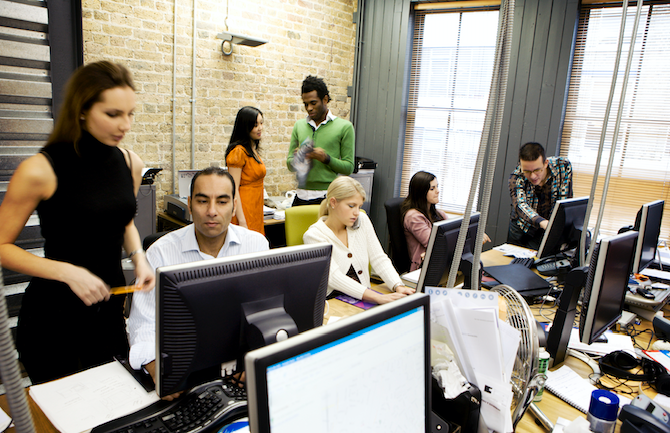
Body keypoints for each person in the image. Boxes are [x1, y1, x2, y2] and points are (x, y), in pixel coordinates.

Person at [0, 61, 155, 384]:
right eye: (113, 114)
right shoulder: (40, 169)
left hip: (109, 313)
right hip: (54, 319)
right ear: (82, 110)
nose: (125, 125)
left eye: (130, 114)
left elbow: (123, 220)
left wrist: (139, 258)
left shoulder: (130, 162)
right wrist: (67, 272)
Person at [127, 167, 269, 397]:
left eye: (222, 202)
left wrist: (255, 357)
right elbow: (143, 323)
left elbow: (265, 313)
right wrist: (155, 366)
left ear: (234, 206)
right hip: (184, 369)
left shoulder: (256, 246)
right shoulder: (160, 253)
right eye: (203, 201)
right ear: (190, 205)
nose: (212, 211)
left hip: (238, 366)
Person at [303, 176, 414, 304]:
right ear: (333, 202)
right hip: (333, 302)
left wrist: (398, 285)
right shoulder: (314, 235)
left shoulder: (362, 220)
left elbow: (378, 258)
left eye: (359, 206)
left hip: (364, 297)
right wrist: (376, 297)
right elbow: (333, 276)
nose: (357, 212)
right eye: (351, 206)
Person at [286, 75, 355, 206]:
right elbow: (289, 165)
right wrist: (297, 158)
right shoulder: (299, 126)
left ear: (325, 99)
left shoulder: (345, 127)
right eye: (305, 104)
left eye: (313, 103)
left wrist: (325, 158)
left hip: (327, 196)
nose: (309, 108)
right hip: (300, 196)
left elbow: (348, 168)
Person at [402, 171, 491, 272]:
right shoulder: (413, 217)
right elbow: (435, 243)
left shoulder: (439, 214)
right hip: (423, 268)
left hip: (442, 263)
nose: (437, 191)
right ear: (421, 192)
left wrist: (474, 235)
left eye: (437, 186)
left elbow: (453, 233)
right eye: (432, 188)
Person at [508, 142, 573, 250]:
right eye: (527, 171)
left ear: (546, 163)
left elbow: (564, 200)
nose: (533, 176)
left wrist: (556, 225)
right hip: (522, 227)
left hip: (548, 227)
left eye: (537, 170)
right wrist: (541, 222)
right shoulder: (517, 176)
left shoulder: (563, 166)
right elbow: (520, 204)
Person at [225, 106, 266, 235]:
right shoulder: (238, 152)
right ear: (245, 127)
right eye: (255, 125)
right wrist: (242, 221)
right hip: (244, 208)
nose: (260, 128)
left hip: (255, 207)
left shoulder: (252, 149)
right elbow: (234, 188)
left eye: (261, 123)